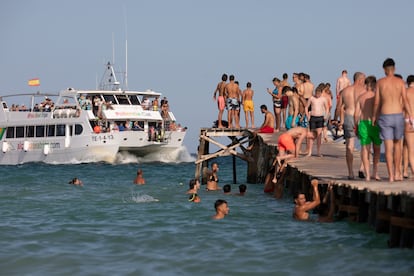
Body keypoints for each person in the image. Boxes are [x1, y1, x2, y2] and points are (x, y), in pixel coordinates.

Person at [373, 58, 414, 182]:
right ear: (394, 68)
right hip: (398, 115)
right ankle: (398, 173)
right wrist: (411, 115)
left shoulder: (380, 83)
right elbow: (405, 100)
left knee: (388, 146)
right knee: (398, 145)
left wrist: (374, 116)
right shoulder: (400, 82)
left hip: (385, 115)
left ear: (384, 70)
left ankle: (391, 176)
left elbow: (376, 102)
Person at [339, 72, 366, 180]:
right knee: (365, 144)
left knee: (349, 145)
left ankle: (350, 173)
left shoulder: (345, 91)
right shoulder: (364, 91)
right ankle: (362, 168)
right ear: (359, 80)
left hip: (349, 116)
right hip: (361, 117)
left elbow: (339, 108)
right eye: (363, 79)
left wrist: (339, 120)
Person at [354, 76, 382, 181]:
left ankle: (368, 175)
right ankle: (375, 172)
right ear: (374, 85)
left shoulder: (360, 97)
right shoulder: (376, 97)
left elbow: (356, 114)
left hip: (363, 123)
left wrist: (356, 126)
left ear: (366, 85)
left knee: (365, 149)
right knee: (377, 149)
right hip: (375, 123)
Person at [305, 84, 329, 157]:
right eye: (316, 93)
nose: (317, 95)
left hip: (320, 117)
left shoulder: (323, 99)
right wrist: (307, 115)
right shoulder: (311, 98)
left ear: (321, 93)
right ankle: (310, 152)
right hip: (313, 117)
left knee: (319, 135)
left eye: (318, 93)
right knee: (311, 135)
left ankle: (318, 151)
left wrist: (326, 115)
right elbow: (306, 107)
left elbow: (327, 108)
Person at [403, 75, 414, 179]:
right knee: (406, 146)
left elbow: (401, 108)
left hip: (408, 120)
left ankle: (412, 170)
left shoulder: (405, 92)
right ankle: (405, 170)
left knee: (410, 148)